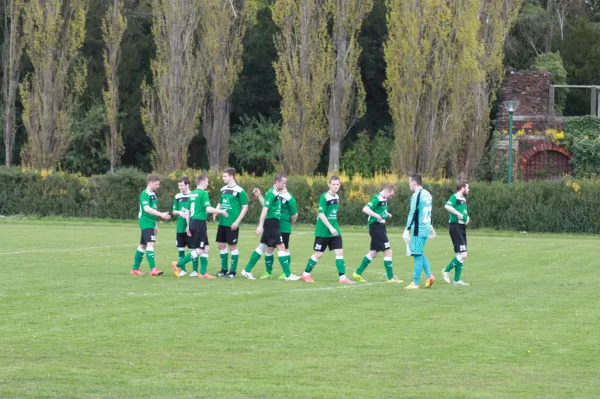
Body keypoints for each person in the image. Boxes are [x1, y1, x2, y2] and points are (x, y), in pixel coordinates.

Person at [241, 174, 300, 281]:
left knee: (262, 247)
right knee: (281, 247)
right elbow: (264, 210)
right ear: (277, 182)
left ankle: (247, 270)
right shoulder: (272, 192)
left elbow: (268, 206)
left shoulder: (275, 193)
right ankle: (288, 275)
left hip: (273, 223)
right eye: (283, 182)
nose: (284, 184)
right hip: (271, 224)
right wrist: (260, 226)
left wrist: (259, 195)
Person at [301, 176, 355, 284]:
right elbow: (321, 214)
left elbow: (333, 214)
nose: (335, 186)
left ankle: (342, 278)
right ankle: (306, 274)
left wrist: (333, 227)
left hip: (334, 230)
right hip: (323, 231)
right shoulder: (324, 197)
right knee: (319, 254)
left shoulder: (337, 197)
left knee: (339, 251)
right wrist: (330, 228)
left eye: (337, 184)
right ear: (329, 185)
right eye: (333, 184)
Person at [171, 175, 228, 278]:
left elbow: (187, 212)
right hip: (199, 223)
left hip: (193, 222)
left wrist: (188, 226)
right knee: (199, 250)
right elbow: (208, 209)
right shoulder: (203, 193)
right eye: (207, 181)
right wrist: (221, 211)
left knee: (206, 248)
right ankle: (178, 264)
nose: (207, 183)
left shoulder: (192, 194)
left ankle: (203, 273)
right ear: (201, 182)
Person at [353, 184, 403, 283]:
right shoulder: (377, 198)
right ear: (387, 191)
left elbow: (381, 211)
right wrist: (377, 216)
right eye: (391, 195)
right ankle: (390, 277)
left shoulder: (384, 199)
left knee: (373, 252)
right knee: (388, 251)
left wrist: (386, 214)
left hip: (380, 227)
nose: (391, 197)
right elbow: (365, 209)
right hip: (376, 228)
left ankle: (357, 273)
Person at [253, 186, 298, 280]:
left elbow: (294, 214)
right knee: (269, 248)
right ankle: (268, 272)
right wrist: (259, 195)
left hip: (284, 227)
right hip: (272, 226)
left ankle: (285, 273)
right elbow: (266, 206)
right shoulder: (273, 193)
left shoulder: (289, 197)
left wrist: (289, 224)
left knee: (285, 249)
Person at [131, 174, 171, 276]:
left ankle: (135, 269)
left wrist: (156, 225)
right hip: (145, 221)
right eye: (157, 184)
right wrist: (161, 214)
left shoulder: (153, 194)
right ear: (151, 182)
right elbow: (147, 209)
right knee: (150, 243)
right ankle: (153, 269)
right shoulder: (145, 193)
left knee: (143, 245)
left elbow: (153, 209)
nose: (158, 186)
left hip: (151, 223)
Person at [213, 168, 249, 278]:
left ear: (231, 176)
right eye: (223, 176)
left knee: (232, 246)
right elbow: (220, 203)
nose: (223, 178)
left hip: (232, 223)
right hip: (222, 223)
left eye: (225, 176)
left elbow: (245, 207)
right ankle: (224, 270)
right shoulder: (223, 189)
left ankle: (232, 272)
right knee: (221, 245)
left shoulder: (240, 191)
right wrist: (215, 211)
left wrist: (237, 222)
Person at [404, 174, 436, 289]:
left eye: (409, 182)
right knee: (420, 253)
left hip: (418, 229)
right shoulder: (428, 194)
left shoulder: (416, 195)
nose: (408, 184)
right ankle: (429, 276)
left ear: (414, 182)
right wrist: (431, 227)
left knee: (417, 255)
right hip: (425, 228)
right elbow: (428, 212)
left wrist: (407, 229)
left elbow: (412, 213)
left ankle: (415, 283)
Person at [443, 181, 470, 286]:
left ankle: (457, 280)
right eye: (467, 188)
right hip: (455, 227)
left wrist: (467, 218)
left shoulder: (463, 199)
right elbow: (447, 206)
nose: (468, 190)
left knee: (461, 254)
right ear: (462, 188)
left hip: (462, 227)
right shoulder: (455, 197)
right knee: (463, 254)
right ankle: (446, 270)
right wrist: (458, 214)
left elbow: (463, 213)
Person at [172, 176, 197, 277]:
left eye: (181, 185)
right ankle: (183, 270)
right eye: (178, 185)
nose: (179, 187)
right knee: (181, 249)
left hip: (191, 227)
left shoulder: (194, 195)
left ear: (187, 185)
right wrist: (179, 212)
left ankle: (195, 270)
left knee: (193, 249)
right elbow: (173, 211)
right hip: (180, 227)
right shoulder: (177, 196)